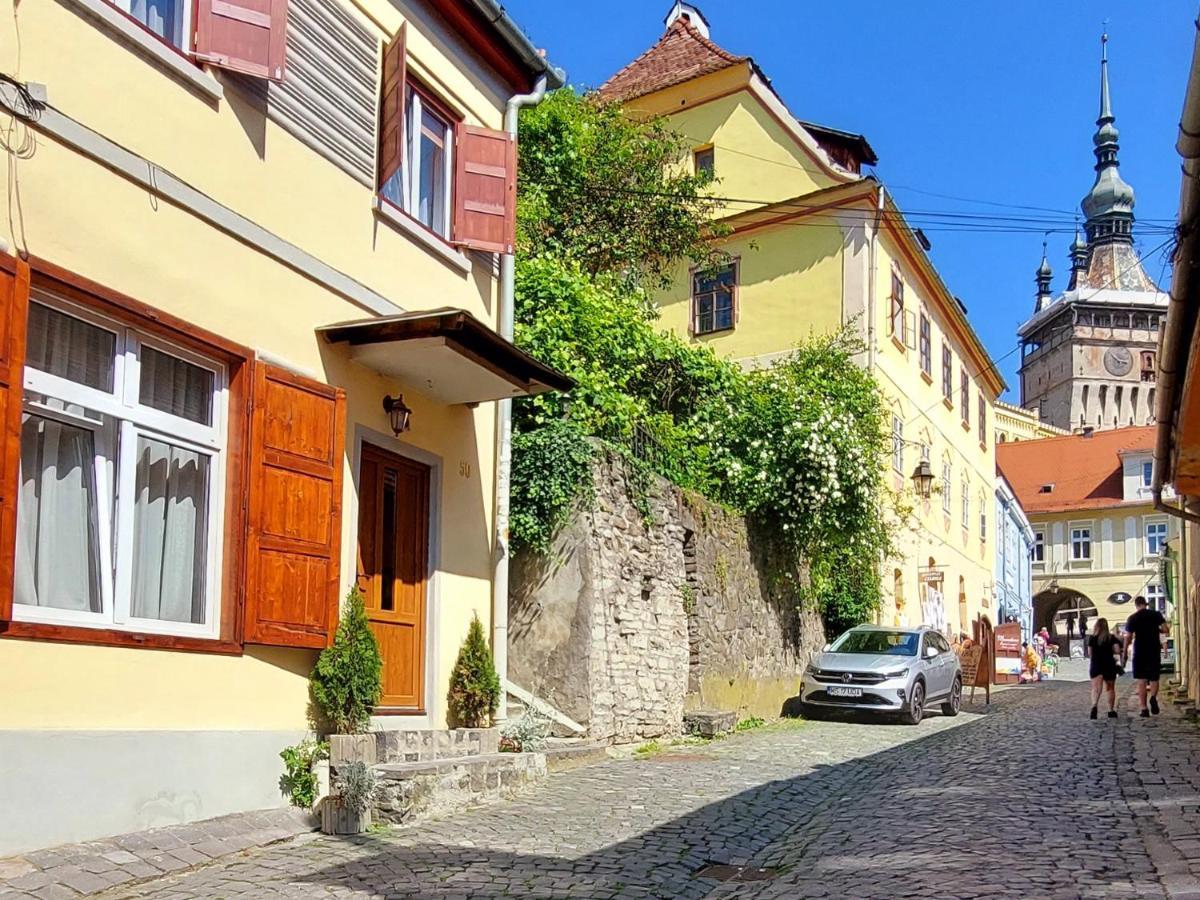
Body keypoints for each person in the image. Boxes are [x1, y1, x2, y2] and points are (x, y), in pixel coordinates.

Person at [1124, 596, 1169, 718]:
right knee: (1154, 678)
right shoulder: (1156, 614)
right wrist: (1157, 630)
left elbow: (1128, 637)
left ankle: (1144, 709)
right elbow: (1166, 629)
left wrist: (1124, 654)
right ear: (1146, 604)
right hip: (1153, 650)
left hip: (1140, 652)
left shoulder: (1133, 618)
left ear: (1136, 605)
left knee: (1141, 681)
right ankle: (1153, 697)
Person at [1087, 618, 1123, 719]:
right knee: (1110, 688)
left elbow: (1090, 653)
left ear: (1096, 626)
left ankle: (1094, 706)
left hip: (1096, 665)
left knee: (1096, 688)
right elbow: (1117, 650)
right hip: (1109, 665)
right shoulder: (1111, 638)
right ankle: (1111, 711)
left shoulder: (1092, 638)